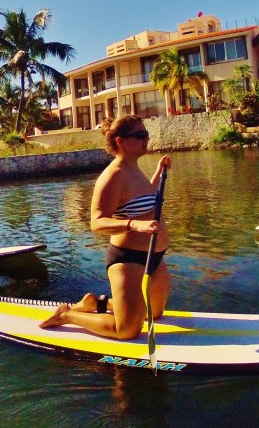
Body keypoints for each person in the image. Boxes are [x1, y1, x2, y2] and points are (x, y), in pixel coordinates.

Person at [40, 115, 171, 340]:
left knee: (155, 314)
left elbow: (142, 198)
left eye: (146, 134)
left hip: (154, 257)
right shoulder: (112, 176)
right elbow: (97, 222)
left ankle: (96, 303)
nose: (146, 139)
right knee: (128, 330)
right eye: (140, 135)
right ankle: (67, 315)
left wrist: (159, 173)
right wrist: (134, 225)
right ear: (121, 141)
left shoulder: (134, 169)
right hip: (129, 259)